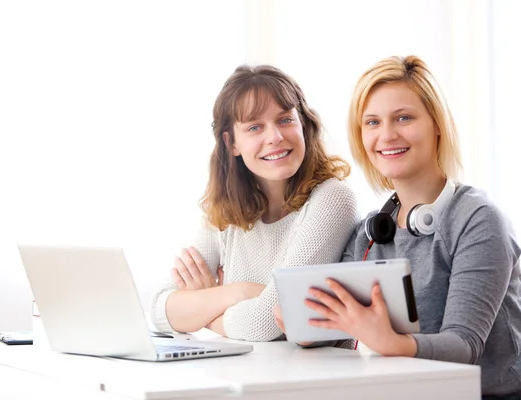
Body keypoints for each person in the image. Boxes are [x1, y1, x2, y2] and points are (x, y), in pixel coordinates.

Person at [277, 55, 521, 398]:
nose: (387, 135)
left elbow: (464, 345)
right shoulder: (372, 230)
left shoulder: (478, 219)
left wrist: (390, 342)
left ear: (437, 124)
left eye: (403, 118)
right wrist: (310, 327)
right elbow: (343, 325)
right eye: (372, 122)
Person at [149, 64, 358, 342]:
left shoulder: (333, 199)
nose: (274, 137)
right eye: (255, 127)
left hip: (311, 381)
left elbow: (263, 323)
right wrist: (238, 292)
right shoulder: (226, 213)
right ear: (231, 143)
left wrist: (204, 307)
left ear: (303, 124)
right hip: (244, 377)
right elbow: (160, 310)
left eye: (285, 120)